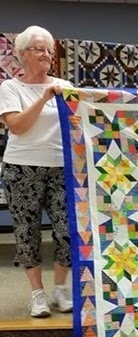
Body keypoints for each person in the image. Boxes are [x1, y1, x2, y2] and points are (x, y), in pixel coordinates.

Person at [0, 25, 74, 318]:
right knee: (27, 233)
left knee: (67, 232)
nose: (47, 55)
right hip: (22, 169)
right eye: (39, 49)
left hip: (61, 168)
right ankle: (37, 294)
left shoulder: (65, 86)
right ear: (22, 54)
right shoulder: (10, 88)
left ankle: (61, 289)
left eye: (49, 50)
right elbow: (17, 126)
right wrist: (44, 98)